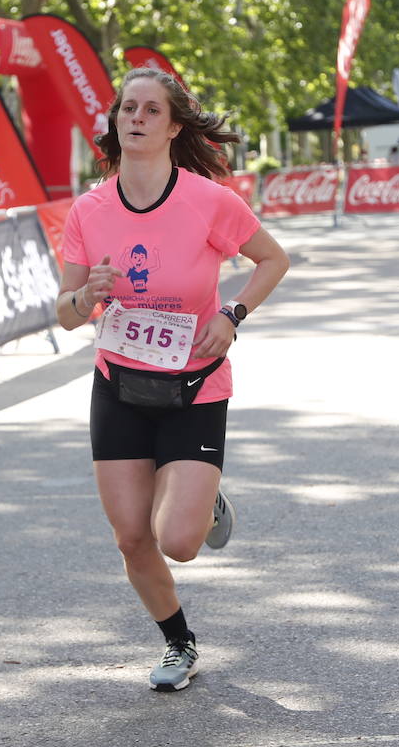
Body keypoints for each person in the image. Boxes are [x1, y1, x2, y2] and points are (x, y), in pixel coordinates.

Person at [56, 67, 289, 693]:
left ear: (173, 126)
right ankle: (179, 642)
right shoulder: (89, 209)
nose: (135, 118)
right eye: (126, 108)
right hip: (120, 384)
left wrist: (231, 314)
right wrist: (87, 298)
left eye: (150, 110)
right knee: (133, 537)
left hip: (194, 384)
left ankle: (202, 497)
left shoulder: (208, 201)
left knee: (179, 541)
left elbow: (273, 258)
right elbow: (65, 310)